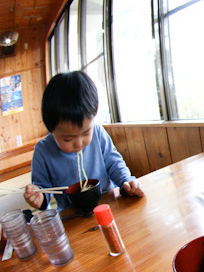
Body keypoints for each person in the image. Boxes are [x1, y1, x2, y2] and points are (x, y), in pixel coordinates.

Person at [24, 71, 145, 212]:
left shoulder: (98, 132)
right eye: (68, 138)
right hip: (73, 215)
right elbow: (43, 189)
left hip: (108, 204)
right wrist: (38, 197)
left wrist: (126, 181)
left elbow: (114, 163)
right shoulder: (43, 151)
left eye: (86, 132)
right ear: (51, 130)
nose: (78, 143)